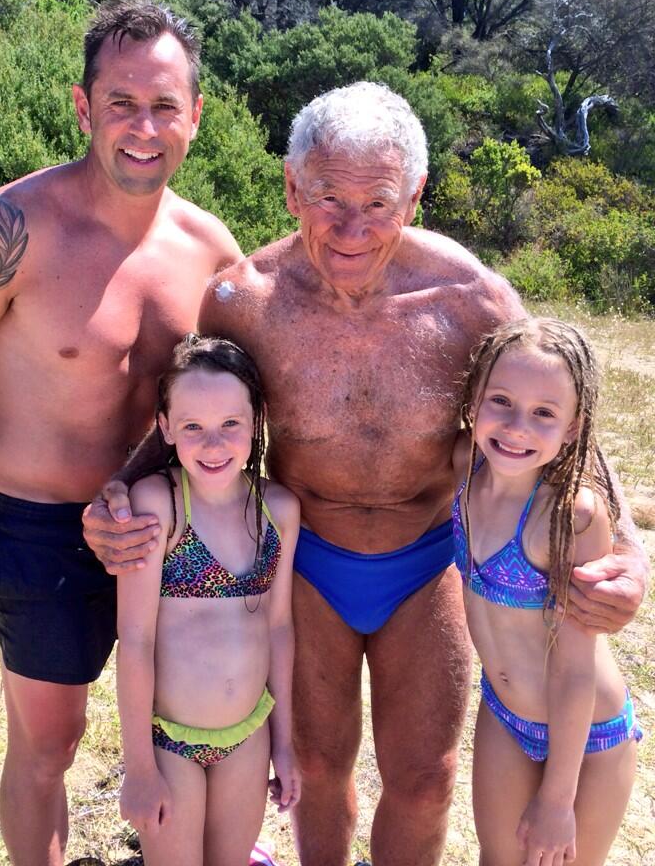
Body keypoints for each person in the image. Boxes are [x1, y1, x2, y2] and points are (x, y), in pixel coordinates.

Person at [85, 81, 649, 866]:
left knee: (424, 780)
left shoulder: (471, 301)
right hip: (308, 562)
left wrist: (630, 555)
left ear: (414, 195)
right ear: (290, 188)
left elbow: (566, 417)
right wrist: (116, 492)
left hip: (425, 562)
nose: (353, 227)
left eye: (379, 202)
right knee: (317, 771)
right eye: (327, 198)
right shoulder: (246, 301)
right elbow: (191, 408)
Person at [0, 0, 242, 866]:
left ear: (197, 113)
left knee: (195, 729)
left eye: (165, 105)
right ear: (83, 108)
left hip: (168, 525)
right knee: (49, 746)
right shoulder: (8, 229)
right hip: (40, 532)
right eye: (121, 103)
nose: (144, 127)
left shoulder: (211, 252)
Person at [452, 318, 641, 865]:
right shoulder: (464, 468)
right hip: (505, 714)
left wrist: (558, 801)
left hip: (589, 737)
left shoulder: (570, 515)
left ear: (573, 427)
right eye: (501, 401)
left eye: (543, 414)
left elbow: (576, 666)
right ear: (473, 402)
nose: (516, 427)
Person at [117, 334, 301, 865]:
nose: (213, 444)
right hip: (169, 742)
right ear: (166, 426)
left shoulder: (278, 510)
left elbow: (280, 628)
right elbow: (135, 638)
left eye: (230, 425)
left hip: (248, 735)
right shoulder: (160, 505)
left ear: (256, 421)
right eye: (193, 426)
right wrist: (138, 768)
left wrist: (283, 745)